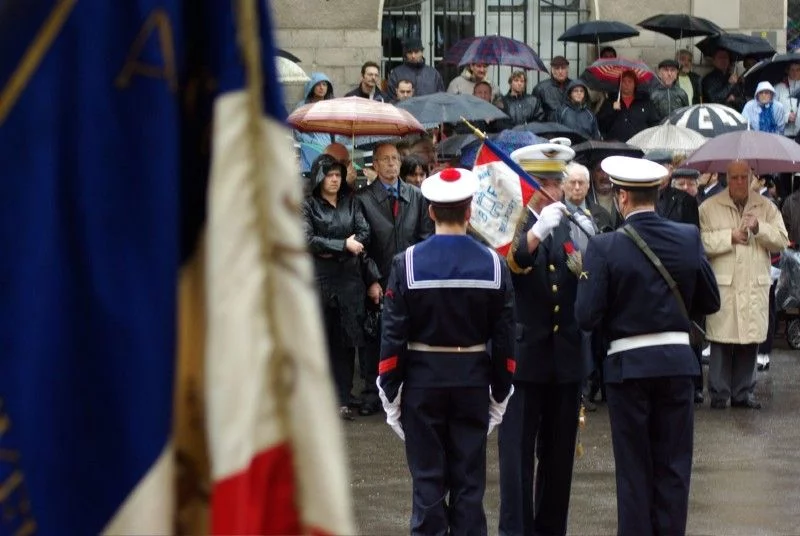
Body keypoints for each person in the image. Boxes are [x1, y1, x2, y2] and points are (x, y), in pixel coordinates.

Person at [575, 155, 720, 536]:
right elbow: (711, 300)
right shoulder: (687, 238)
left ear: (622, 197)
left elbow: (586, 315)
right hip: (676, 363)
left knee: (634, 470)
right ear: (658, 194)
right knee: (673, 468)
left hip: (628, 369)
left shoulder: (603, 247)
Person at [377, 167, 516, 535]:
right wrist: (500, 391)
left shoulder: (405, 263)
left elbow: (392, 335)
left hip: (422, 383)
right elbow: (505, 340)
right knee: (469, 487)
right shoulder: (494, 264)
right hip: (472, 381)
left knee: (428, 486)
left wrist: (390, 389)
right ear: (470, 211)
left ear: (431, 211)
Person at [498, 143, 593, 536]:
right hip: (525, 357)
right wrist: (535, 233)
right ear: (528, 185)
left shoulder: (575, 222)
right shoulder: (511, 224)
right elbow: (511, 266)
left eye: (558, 181)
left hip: (566, 357)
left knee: (558, 459)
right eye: (547, 182)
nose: (556, 190)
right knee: (517, 457)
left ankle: (552, 528)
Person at [699, 160, 789, 410]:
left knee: (750, 340)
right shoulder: (709, 207)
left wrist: (759, 228)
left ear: (751, 178)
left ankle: (743, 393)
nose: (739, 182)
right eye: (734, 177)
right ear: (726, 177)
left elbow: (781, 240)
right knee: (721, 341)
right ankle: (718, 393)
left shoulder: (767, 208)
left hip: (752, 283)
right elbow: (701, 243)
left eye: (744, 177)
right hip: (724, 284)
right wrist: (729, 237)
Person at [355, 143, 434, 415]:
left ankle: (407, 389)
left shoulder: (416, 196)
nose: (391, 164)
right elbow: (362, 245)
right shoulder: (363, 199)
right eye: (384, 160)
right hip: (379, 275)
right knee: (375, 337)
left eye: (395, 159)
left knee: (410, 336)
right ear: (374, 165)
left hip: (410, 277)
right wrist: (372, 280)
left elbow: (426, 238)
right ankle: (372, 392)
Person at [301, 155, 379, 420]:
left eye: (338, 175)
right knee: (320, 339)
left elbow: (364, 232)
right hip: (320, 281)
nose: (334, 179)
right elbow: (307, 239)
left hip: (349, 281)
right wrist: (342, 246)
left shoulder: (352, 202)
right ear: (319, 177)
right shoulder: (309, 206)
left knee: (347, 342)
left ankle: (343, 397)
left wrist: (336, 248)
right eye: (329, 174)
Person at [597, 70, 659, 142]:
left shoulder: (645, 102)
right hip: (614, 146)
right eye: (623, 81)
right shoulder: (610, 101)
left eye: (630, 81)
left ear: (635, 84)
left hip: (639, 145)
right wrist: (611, 110)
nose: (626, 84)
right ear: (619, 84)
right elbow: (600, 125)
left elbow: (654, 124)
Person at [293, 72, 335, 173]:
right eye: (318, 84)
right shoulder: (302, 106)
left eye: (324, 84)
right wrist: (309, 141)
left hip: (327, 148)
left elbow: (337, 129)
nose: (321, 88)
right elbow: (296, 129)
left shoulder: (332, 106)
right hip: (308, 148)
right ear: (312, 86)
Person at [534, 56, 572, 121]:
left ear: (567, 69)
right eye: (557, 68)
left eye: (563, 68)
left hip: (571, 127)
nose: (560, 71)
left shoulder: (575, 87)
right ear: (552, 70)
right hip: (550, 128)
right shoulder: (541, 88)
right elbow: (536, 114)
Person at [774, 61, 800, 138]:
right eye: (792, 70)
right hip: (784, 135)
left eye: (798, 70)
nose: (795, 73)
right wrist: (786, 117)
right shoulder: (778, 88)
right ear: (787, 71)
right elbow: (772, 111)